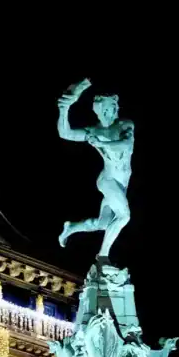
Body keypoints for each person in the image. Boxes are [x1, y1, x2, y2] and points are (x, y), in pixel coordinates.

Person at [57, 79, 134, 259]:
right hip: (108, 180)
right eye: (104, 111)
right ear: (98, 111)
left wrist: (102, 143)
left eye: (111, 108)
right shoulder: (94, 130)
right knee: (124, 216)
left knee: (104, 224)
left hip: (122, 182)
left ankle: (71, 227)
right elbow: (65, 133)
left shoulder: (124, 125)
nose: (108, 113)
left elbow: (126, 144)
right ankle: (103, 256)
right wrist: (64, 109)